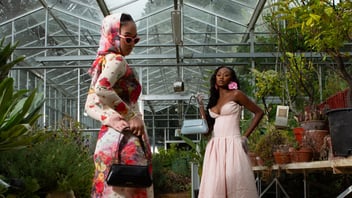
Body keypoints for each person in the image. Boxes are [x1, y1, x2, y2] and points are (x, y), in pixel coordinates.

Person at [85, 13, 153, 198]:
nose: (132, 44)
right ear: (113, 35)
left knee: (110, 190)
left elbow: (90, 105)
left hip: (107, 139)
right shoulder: (117, 60)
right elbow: (102, 88)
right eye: (128, 38)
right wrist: (132, 116)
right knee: (131, 189)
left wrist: (111, 118)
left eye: (135, 39)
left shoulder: (102, 62)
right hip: (126, 140)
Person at [197, 66, 264, 198]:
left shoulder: (236, 94)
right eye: (219, 75)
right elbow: (207, 132)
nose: (222, 77)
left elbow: (259, 112)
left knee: (236, 183)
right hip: (215, 147)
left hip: (233, 144)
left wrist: (245, 136)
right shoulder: (213, 101)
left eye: (226, 75)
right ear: (215, 78)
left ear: (231, 79)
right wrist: (201, 108)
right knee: (215, 186)